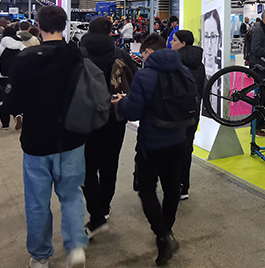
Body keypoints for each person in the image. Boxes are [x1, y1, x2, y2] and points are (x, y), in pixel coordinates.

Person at [6, 7, 88, 267]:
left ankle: (40, 257)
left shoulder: (26, 58)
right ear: (64, 26)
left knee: (37, 202)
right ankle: (76, 248)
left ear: (38, 26)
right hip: (72, 138)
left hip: (36, 140)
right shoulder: (77, 55)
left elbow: (13, 101)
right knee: (72, 195)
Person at [113, 34, 193, 266]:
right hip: (179, 140)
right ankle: (166, 231)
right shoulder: (184, 72)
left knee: (147, 190)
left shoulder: (145, 76)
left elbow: (134, 111)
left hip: (152, 142)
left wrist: (121, 103)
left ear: (149, 53)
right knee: (171, 189)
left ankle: (162, 235)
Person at [80, 16, 138, 239]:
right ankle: (104, 206)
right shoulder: (120, 54)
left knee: (87, 167)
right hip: (115, 116)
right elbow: (134, 79)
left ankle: (96, 211)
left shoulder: (79, 54)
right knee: (109, 162)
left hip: (87, 118)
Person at [170, 30, 206, 201]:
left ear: (183, 44)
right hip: (193, 112)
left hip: (174, 114)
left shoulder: (173, 62)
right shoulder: (199, 64)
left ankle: (173, 185)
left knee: (172, 149)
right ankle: (183, 186)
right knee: (186, 149)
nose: (171, 43)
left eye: (174, 40)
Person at [0, 25, 27, 130]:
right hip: (17, 77)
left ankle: (5, 124)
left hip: (0, 76)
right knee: (16, 97)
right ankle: (17, 114)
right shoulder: (22, 46)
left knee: (2, 100)